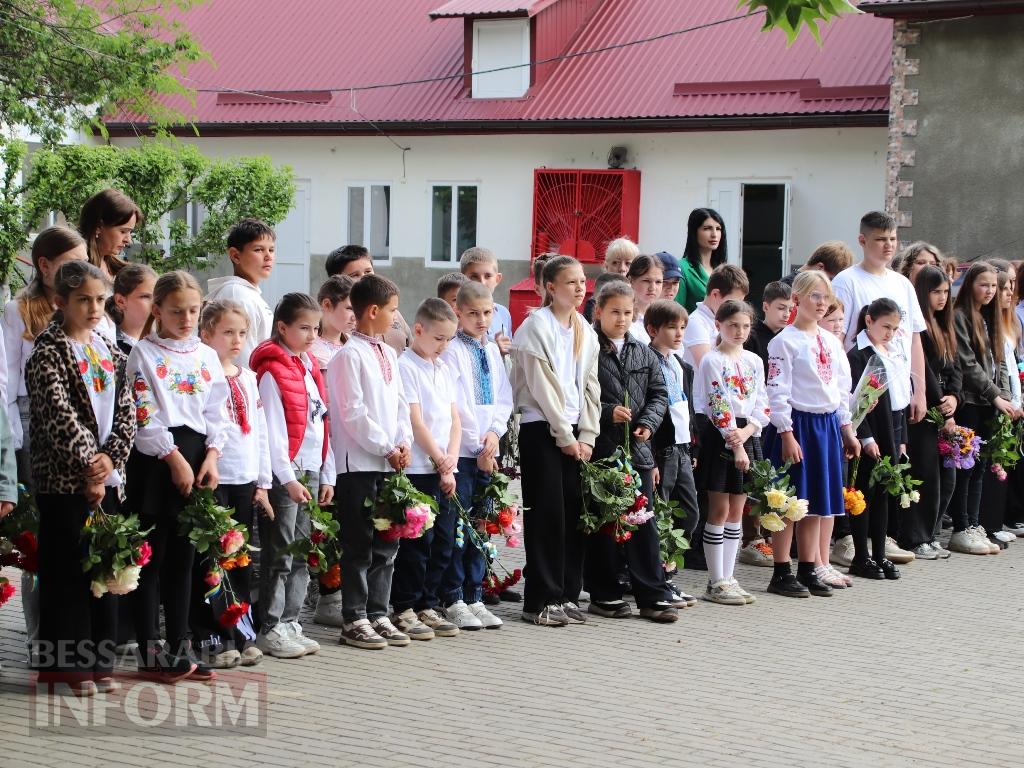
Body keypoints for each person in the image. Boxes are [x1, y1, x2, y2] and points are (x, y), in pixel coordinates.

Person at [26, 260, 135, 696]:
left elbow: (127, 409)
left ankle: (99, 662)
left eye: (100, 300)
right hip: (64, 482)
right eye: (83, 300)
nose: (94, 308)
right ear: (60, 301)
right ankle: (66, 669)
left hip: (106, 478)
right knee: (68, 573)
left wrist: (111, 458)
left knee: (104, 572)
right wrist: (90, 466)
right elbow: (58, 416)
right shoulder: (48, 352)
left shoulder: (108, 349)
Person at [125, 270, 229, 682]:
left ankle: (179, 646)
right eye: (176, 311)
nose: (186, 319)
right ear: (157, 310)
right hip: (157, 462)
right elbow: (144, 413)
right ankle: (150, 651)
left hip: (198, 457)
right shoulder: (144, 353)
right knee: (152, 559)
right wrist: (173, 458)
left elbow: (217, 409)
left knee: (185, 560)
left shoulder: (205, 354)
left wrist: (212, 456)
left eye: (193, 310)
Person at [3, 226, 88, 656]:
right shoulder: (19, 309)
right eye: (71, 263)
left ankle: (78, 633)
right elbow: (7, 379)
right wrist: (15, 438)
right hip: (31, 422)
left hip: (78, 424)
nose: (80, 270)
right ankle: (40, 635)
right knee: (38, 534)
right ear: (45, 265)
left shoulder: (87, 308)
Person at [511, 255, 600, 626]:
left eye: (582, 281)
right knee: (547, 515)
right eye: (571, 282)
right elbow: (542, 389)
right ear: (550, 287)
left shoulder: (584, 329)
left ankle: (565, 593)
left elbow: (591, 386)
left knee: (574, 514)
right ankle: (540, 600)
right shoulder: (536, 327)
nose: (580, 288)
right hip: (543, 429)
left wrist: (588, 435)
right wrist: (564, 434)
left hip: (575, 433)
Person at [328, 275, 413, 649]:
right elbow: (353, 412)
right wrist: (386, 446)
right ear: (374, 311)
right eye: (393, 310)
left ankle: (379, 612)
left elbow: (399, 405)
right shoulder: (348, 356)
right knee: (359, 542)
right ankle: (354, 617)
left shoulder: (389, 354)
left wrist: (403, 442)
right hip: (359, 463)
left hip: (388, 462)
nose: (396, 317)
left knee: (387, 542)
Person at [763, 271, 860, 597]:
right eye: (814, 296)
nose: (821, 303)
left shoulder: (831, 341)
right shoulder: (784, 342)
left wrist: (846, 428)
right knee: (790, 501)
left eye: (825, 297)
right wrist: (786, 432)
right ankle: (781, 571)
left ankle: (808, 567)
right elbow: (778, 390)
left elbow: (841, 388)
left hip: (826, 425)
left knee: (817, 500)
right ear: (797, 299)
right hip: (798, 425)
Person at [250, 293, 335, 658]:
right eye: (304, 328)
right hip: (287, 473)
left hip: (310, 468)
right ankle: (270, 626)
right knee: (280, 551)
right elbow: (272, 431)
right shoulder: (273, 372)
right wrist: (287, 477)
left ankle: (290, 620)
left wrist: (327, 473)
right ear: (282, 327)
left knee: (301, 551)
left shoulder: (308, 366)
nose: (312, 335)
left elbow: (321, 422)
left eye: (316, 328)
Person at [586, 281, 677, 622]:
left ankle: (653, 595)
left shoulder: (643, 351)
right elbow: (578, 395)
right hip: (602, 450)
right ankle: (605, 593)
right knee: (606, 523)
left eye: (627, 312)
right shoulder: (588, 348)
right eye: (614, 312)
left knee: (643, 522)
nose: (621, 319)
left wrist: (648, 424)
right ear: (599, 311)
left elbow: (659, 394)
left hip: (638, 450)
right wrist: (607, 412)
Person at [194, 300, 271, 667]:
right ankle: (213, 635)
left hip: (244, 476)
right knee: (212, 558)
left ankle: (241, 631)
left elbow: (261, 432)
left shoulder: (248, 378)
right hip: (215, 477)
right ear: (206, 334)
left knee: (240, 558)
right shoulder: (202, 375)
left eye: (241, 333)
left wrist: (263, 481)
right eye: (228, 332)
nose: (237, 340)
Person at [390, 299, 468, 639]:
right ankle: (405, 606)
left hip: (445, 468)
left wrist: (451, 459)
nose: (444, 346)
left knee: (444, 541)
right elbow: (416, 421)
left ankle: (428, 603)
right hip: (420, 468)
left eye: (449, 339)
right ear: (418, 330)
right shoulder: (406, 366)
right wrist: (439, 459)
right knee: (417, 543)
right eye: (438, 338)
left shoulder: (444, 368)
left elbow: (454, 419)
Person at [442, 281, 516, 620]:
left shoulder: (491, 351)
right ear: (458, 312)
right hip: (464, 452)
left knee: (482, 524)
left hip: (488, 448)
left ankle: (475, 594)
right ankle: (454, 597)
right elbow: (456, 404)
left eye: (487, 313)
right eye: (473, 313)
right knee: (459, 525)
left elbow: (503, 397)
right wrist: (477, 442)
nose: (481, 320)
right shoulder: (453, 350)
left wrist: (495, 432)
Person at [694, 301, 769, 604]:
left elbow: (762, 401)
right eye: (733, 325)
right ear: (719, 325)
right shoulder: (712, 359)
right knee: (719, 509)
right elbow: (717, 403)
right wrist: (735, 443)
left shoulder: (754, 360)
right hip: (721, 436)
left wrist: (749, 431)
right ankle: (716, 581)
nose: (739, 331)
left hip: (746, 432)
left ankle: (730, 576)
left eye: (745, 326)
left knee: (738, 509)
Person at [946, 262, 1013, 555]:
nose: (989, 291)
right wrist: (995, 395)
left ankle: (974, 524)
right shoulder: (960, 316)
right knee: (966, 466)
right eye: (983, 284)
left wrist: (1005, 396)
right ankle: (961, 527)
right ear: (970, 285)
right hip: (971, 402)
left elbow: (999, 361)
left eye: (993, 286)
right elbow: (968, 363)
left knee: (981, 467)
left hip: (989, 403)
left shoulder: (989, 318)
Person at [847, 298, 909, 580]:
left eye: (894, 328)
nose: (890, 333)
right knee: (864, 494)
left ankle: (880, 554)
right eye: (885, 327)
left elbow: (900, 399)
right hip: (871, 431)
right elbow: (857, 402)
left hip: (892, 428)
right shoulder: (858, 355)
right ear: (869, 321)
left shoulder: (892, 352)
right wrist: (866, 437)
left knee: (883, 493)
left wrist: (902, 438)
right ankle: (861, 556)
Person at [902, 265, 960, 559]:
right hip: (923, 409)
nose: (942, 297)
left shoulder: (944, 325)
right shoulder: (918, 328)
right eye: (936, 291)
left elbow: (954, 368)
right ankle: (916, 537)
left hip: (944, 406)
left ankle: (931, 533)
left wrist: (955, 397)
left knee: (944, 477)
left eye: (946, 292)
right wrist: (942, 407)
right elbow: (921, 369)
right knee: (923, 474)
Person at [645, 299, 699, 607]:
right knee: (660, 512)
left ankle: (668, 571)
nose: (679, 334)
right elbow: (649, 410)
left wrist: (692, 444)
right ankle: (658, 578)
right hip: (661, 449)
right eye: (671, 327)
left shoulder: (680, 364)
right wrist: (650, 457)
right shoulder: (647, 361)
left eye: (682, 328)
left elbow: (687, 408)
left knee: (689, 511)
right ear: (652, 330)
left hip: (681, 447)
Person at [738, 280, 794, 568]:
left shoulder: (788, 338)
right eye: (781, 308)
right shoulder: (752, 337)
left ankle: (773, 534)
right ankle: (752, 537)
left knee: (775, 478)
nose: (786, 314)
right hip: (755, 415)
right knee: (754, 478)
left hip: (779, 415)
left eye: (790, 309)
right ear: (765, 306)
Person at [205, 218, 277, 368]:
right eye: (259, 250)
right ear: (235, 255)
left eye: (271, 250)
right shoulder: (237, 294)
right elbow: (242, 359)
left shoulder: (249, 293)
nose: (268, 256)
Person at [325, 244, 410, 353]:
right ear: (338, 281)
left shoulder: (394, 315)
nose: (365, 278)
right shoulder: (339, 323)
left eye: (368, 272)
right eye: (355, 275)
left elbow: (410, 350)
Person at [683, 264, 749, 370]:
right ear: (715, 294)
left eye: (741, 302)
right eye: (732, 302)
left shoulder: (725, 319)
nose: (737, 308)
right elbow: (709, 367)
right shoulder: (696, 322)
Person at [460, 246, 513, 356]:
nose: (482, 282)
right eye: (474, 276)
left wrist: (504, 350)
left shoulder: (503, 313)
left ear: (497, 279)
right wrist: (494, 349)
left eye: (488, 276)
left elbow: (508, 353)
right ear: (463, 279)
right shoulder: (458, 314)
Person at [78, 188, 141, 280]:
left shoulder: (124, 272)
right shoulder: (78, 271)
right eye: (123, 231)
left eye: (130, 232)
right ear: (98, 227)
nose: (128, 240)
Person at [677, 208, 727, 314]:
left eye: (718, 229)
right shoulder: (682, 268)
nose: (714, 234)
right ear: (694, 232)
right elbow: (676, 311)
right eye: (707, 228)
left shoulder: (724, 270)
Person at [582, 238, 640, 321]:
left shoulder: (642, 300)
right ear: (606, 266)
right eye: (615, 263)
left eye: (628, 263)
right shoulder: (594, 303)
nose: (622, 268)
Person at [107, 263, 157, 355]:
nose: (155, 303)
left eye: (157, 297)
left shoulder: (165, 339)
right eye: (145, 296)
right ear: (120, 301)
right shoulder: (110, 344)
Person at [311, 275, 356, 372]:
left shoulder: (356, 345)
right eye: (349, 308)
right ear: (327, 305)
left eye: (358, 310)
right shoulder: (307, 346)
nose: (355, 317)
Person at [626, 254, 664, 345]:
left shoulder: (664, 316)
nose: (653, 288)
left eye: (658, 282)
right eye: (646, 281)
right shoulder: (624, 317)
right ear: (631, 280)